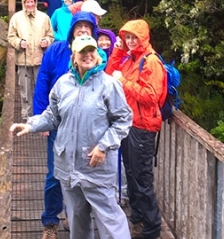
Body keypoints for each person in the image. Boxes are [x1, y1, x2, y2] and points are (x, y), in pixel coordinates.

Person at [10, 35, 133, 239]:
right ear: (74, 57)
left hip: (97, 167)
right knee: (77, 218)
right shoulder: (62, 84)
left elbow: (123, 120)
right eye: (82, 52)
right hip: (68, 167)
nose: (88, 55)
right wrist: (31, 124)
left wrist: (103, 146)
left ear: (97, 55)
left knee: (110, 221)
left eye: (91, 51)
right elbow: (52, 116)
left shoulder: (109, 85)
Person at [32, 11, 107, 238]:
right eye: (79, 27)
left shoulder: (97, 54)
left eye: (87, 27)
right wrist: (40, 117)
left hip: (87, 128)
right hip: (59, 122)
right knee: (55, 173)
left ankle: (74, 216)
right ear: (72, 30)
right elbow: (43, 81)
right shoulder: (55, 51)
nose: (83, 30)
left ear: (92, 32)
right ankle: (50, 222)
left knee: (83, 173)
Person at [105, 19, 166, 239]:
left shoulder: (151, 62)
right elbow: (108, 74)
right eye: (127, 37)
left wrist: (124, 83)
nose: (130, 41)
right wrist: (117, 51)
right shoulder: (130, 58)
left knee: (142, 178)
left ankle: (152, 227)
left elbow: (152, 96)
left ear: (143, 38)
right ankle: (138, 217)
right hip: (128, 124)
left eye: (133, 37)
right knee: (131, 173)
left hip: (142, 127)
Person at [7, 0, 54, 119]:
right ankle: (26, 115)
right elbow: (11, 36)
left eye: (32, 1)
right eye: (27, 2)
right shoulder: (16, 18)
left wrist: (47, 41)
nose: (30, 4)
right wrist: (19, 42)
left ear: (35, 2)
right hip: (23, 60)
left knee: (41, 88)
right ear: (23, 3)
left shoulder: (44, 18)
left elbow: (51, 35)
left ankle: (41, 114)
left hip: (40, 59)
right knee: (24, 89)